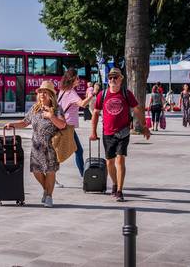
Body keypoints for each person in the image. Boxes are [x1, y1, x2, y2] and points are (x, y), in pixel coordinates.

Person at [89, 68, 150, 202]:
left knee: (120, 159)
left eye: (115, 77)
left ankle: (120, 190)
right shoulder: (102, 95)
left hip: (123, 132)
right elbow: (95, 113)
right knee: (110, 162)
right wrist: (93, 131)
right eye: (110, 77)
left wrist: (144, 126)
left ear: (121, 79)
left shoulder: (126, 93)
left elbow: (137, 110)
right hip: (107, 133)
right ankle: (114, 184)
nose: (112, 80)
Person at [5, 80, 66, 208]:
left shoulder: (56, 109)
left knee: (50, 171)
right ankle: (46, 189)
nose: (42, 95)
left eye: (45, 92)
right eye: (40, 92)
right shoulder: (35, 108)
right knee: (36, 172)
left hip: (51, 147)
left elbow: (62, 124)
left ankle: (49, 196)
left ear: (51, 95)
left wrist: (51, 116)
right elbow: (25, 122)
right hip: (37, 146)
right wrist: (12, 124)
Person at [58, 69, 94, 178]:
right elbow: (83, 104)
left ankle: (51, 175)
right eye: (77, 78)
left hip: (63, 124)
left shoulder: (63, 91)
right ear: (72, 79)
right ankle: (84, 177)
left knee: (61, 151)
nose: (79, 80)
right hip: (67, 126)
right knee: (77, 151)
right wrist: (91, 94)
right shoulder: (71, 93)